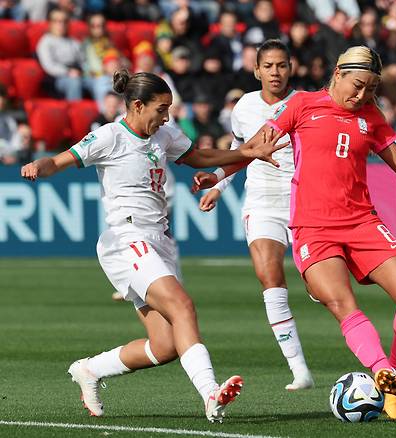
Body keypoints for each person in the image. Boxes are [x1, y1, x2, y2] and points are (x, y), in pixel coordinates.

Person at [195, 46, 396, 420]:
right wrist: (217, 175)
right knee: (342, 303)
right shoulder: (302, 105)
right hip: (313, 227)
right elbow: (253, 146)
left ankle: (393, 378)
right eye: (358, 86)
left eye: (371, 90)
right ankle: (380, 369)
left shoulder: (372, 116)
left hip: (362, 221)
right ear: (338, 73)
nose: (361, 96)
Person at [20, 70, 287, 422]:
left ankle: (89, 369)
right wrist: (37, 166)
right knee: (182, 307)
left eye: (168, 110)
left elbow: (200, 157)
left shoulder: (164, 135)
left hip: (157, 240)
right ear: (136, 105)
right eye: (161, 110)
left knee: (164, 346)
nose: (166, 117)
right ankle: (210, 394)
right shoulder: (110, 136)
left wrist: (249, 152)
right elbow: (59, 160)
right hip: (126, 240)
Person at [191, 40, 314, 392]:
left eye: (282, 65)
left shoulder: (305, 104)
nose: (275, 72)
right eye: (269, 66)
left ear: (291, 68)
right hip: (260, 201)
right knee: (270, 277)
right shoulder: (244, 106)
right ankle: (299, 370)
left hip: (304, 201)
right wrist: (218, 183)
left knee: (319, 285)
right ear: (257, 70)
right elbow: (239, 150)